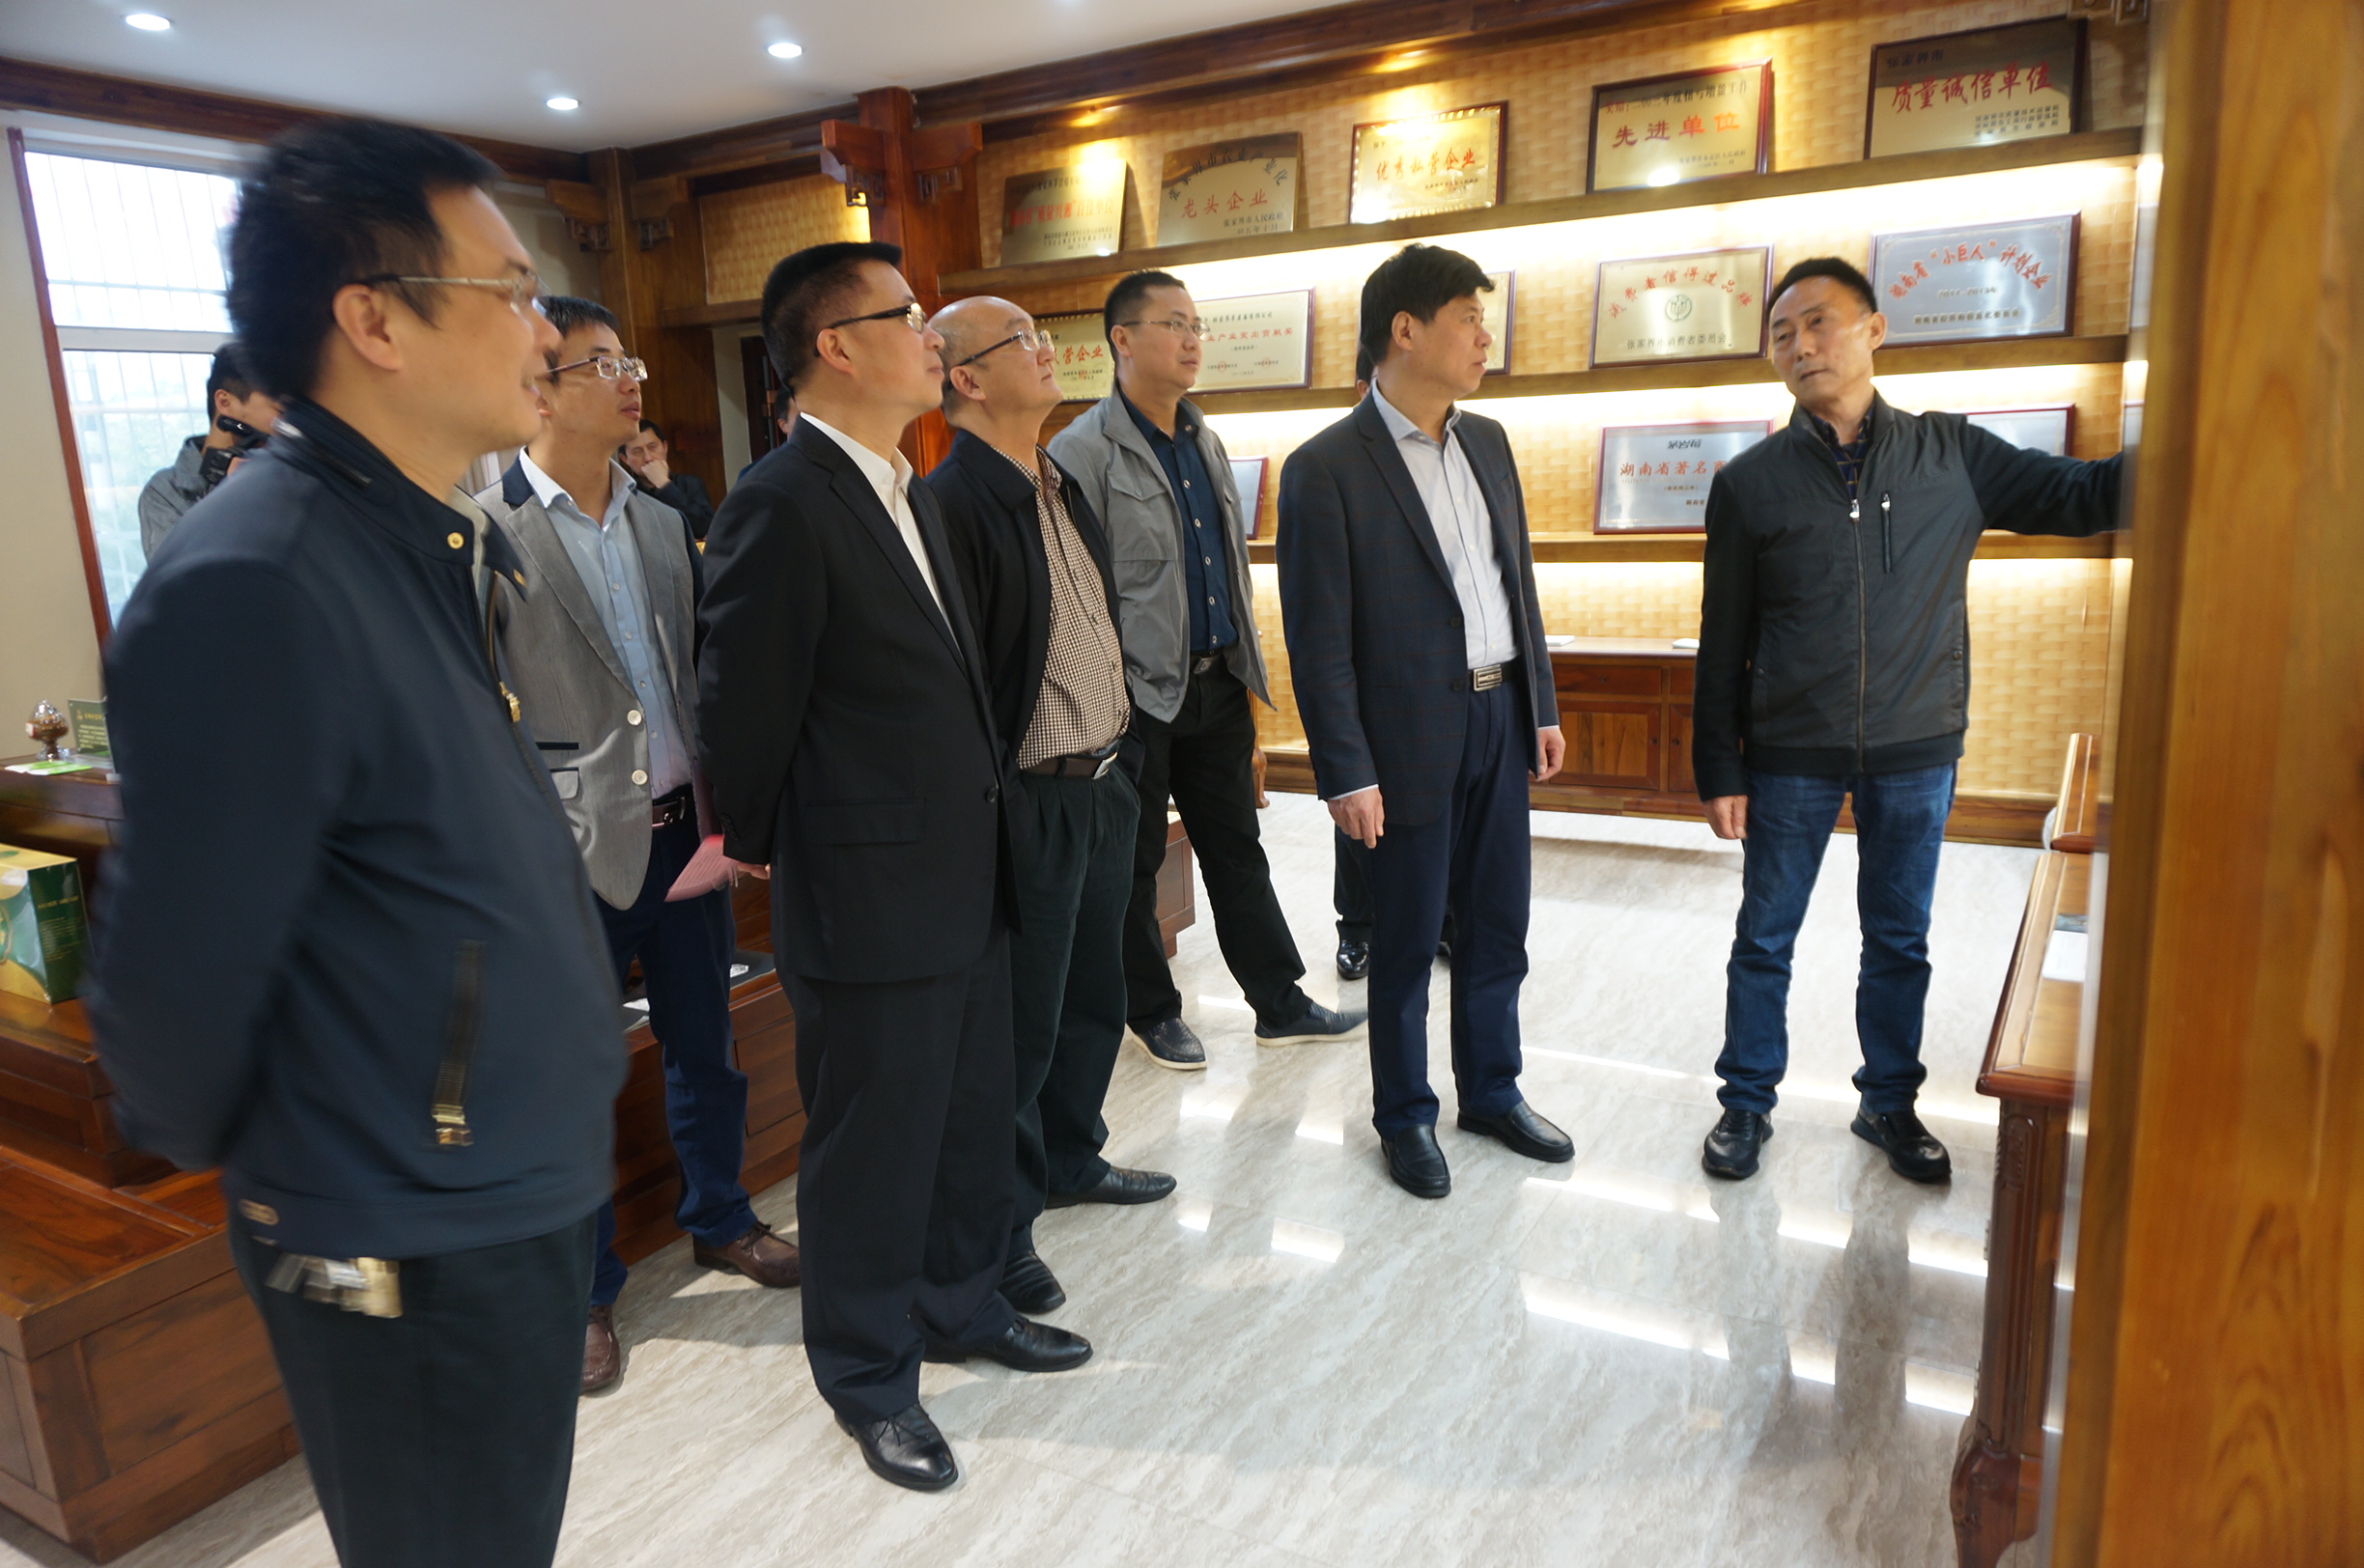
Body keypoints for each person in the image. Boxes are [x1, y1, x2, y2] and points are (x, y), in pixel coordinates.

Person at [90, 119, 619, 1568]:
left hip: (490, 1174)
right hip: (398, 1214)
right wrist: (326, 1164)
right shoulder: (260, 579)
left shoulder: (419, 534)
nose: (545, 332)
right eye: (510, 291)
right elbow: (176, 975)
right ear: (374, 320)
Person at [698, 242, 1090, 1495]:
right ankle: (869, 1375)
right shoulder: (781, 500)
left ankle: (961, 1303)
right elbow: (744, 717)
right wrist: (790, 853)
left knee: (970, 1121)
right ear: (836, 346)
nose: (931, 335)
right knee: (871, 1154)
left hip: (966, 872)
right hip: (868, 897)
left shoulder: (906, 487)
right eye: (907, 314)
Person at [1694, 256, 2124, 1184]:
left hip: (1916, 746)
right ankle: (1745, 1103)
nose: (1801, 345)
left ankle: (1889, 1102)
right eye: (1782, 335)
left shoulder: (1952, 453)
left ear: (1874, 330)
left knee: (1899, 938)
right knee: (1765, 937)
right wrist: (1719, 768)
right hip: (1789, 751)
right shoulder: (1750, 483)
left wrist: (2195, 438)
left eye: (1819, 322)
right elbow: (1721, 636)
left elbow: (2083, 495)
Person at [478, 295, 799, 1396]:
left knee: (707, 1045)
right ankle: (584, 1288)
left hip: (683, 836)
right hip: (563, 854)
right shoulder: (486, 531)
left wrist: (733, 813)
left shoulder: (663, 522)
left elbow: (699, 677)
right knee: (569, 1077)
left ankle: (722, 1217)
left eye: (631, 363)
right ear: (540, 386)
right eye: (602, 364)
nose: (631, 381)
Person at [1277, 244, 1571, 1199]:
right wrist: (1345, 770)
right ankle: (1405, 1114)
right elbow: (1318, 640)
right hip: (1402, 738)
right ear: (1405, 330)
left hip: (1499, 716)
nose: (1486, 336)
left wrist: (1540, 704)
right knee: (1405, 942)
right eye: (1469, 318)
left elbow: (1517, 586)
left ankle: (1492, 1090)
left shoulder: (1489, 442)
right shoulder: (1325, 467)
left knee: (1498, 924)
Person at [924, 295, 1178, 1318]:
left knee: (1092, 995)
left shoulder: (1056, 478)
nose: (1045, 351)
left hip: (1105, 779)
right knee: (1020, 1029)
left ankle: (1075, 1154)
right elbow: (966, 684)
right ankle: (1008, 1226)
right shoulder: (952, 504)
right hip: (1032, 795)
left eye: (1041, 335)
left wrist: (1124, 755)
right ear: (965, 378)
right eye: (1021, 342)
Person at [1048, 269, 1363, 1069]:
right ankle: (1151, 1011)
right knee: (1132, 863)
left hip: (1218, 683)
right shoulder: (1079, 452)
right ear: (1122, 339)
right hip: (1134, 699)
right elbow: (1076, 592)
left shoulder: (1203, 439)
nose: (1192, 341)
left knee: (1236, 848)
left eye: (1197, 326)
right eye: (1174, 324)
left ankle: (1279, 1002)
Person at [137, 340, 280, 559]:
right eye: (280, 409)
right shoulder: (164, 492)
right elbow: (182, 576)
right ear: (225, 402)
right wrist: (232, 499)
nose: (288, 421)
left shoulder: (287, 476)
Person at [620, 417, 717, 540]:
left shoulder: (690, 483)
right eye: (637, 451)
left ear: (665, 447)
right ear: (625, 459)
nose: (648, 458)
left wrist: (664, 485)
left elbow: (704, 528)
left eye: (652, 447)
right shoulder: (623, 493)